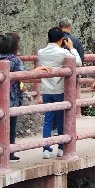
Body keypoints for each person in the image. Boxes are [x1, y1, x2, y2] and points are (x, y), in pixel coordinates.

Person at [35, 26, 81, 158]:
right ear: (61, 40)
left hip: (46, 89)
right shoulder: (63, 53)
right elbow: (78, 62)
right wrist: (71, 48)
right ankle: (61, 147)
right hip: (60, 90)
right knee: (61, 120)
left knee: (48, 120)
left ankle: (46, 149)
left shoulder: (41, 52)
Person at [0, 33, 26, 161]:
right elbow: (23, 73)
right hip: (10, 97)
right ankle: (9, 152)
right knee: (11, 124)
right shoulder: (14, 59)